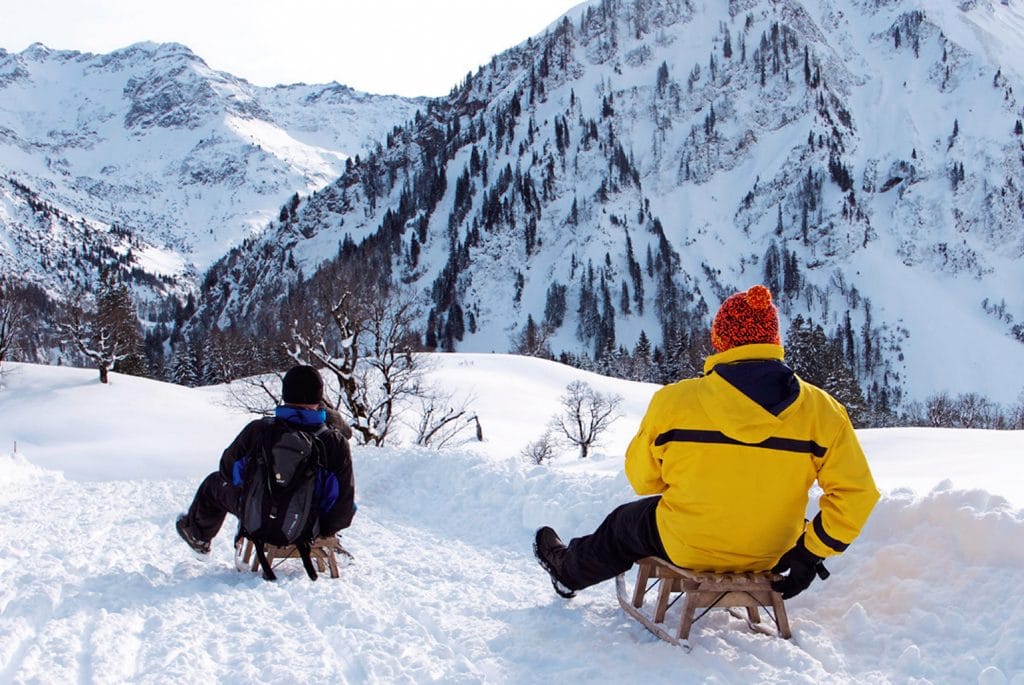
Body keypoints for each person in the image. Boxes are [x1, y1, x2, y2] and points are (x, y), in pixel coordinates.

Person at [534, 285, 879, 600]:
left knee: (623, 524)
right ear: (773, 340)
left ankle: (568, 574)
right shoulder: (823, 410)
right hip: (774, 552)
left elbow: (643, 481)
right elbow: (856, 494)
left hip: (687, 545)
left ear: (721, 341)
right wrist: (809, 552)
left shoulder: (675, 402)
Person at [176, 365, 356, 555]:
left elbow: (228, 470)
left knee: (214, 483)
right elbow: (343, 505)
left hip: (257, 520)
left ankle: (198, 536)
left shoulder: (258, 430)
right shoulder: (334, 442)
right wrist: (322, 527)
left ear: (286, 393)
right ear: (318, 397)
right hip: (309, 526)